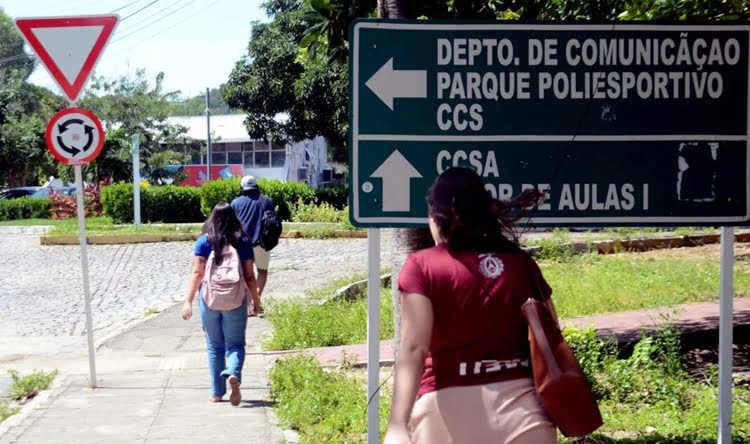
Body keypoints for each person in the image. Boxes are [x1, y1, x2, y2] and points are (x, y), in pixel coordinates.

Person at [384, 167, 558, 444]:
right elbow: (551, 334)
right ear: (485, 211)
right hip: (526, 414)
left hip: (445, 411)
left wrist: (397, 424)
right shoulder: (520, 263)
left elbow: (413, 347)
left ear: (435, 216)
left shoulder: (423, 266)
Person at [181, 203, 260, 405]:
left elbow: (197, 273)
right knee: (235, 344)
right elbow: (250, 276)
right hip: (235, 299)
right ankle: (233, 373)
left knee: (214, 346)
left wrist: (188, 301)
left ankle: (217, 393)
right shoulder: (242, 241)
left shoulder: (203, 242)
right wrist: (256, 300)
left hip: (210, 300)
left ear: (211, 219)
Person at [231, 175, 273, 316]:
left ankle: (252, 303)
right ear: (256, 186)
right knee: (262, 272)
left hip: (242, 244)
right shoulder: (266, 200)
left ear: (242, 188)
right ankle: (256, 302)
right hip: (262, 242)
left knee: (246, 275)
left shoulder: (235, 203)